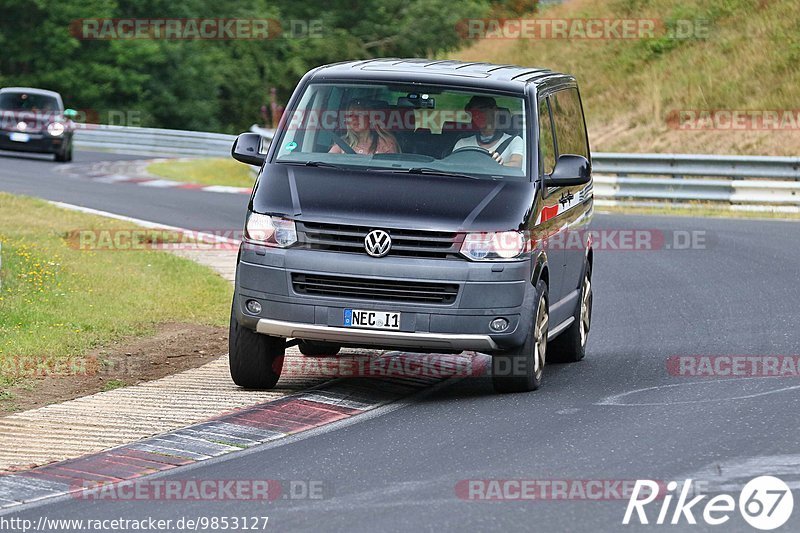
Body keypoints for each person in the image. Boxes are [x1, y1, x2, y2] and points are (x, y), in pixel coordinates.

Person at [452, 96, 523, 167]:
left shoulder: (514, 141)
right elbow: (451, 167)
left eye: (482, 111)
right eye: (474, 113)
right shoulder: (462, 143)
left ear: (495, 111)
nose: (477, 116)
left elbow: (517, 165)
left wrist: (499, 165)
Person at [329, 99, 399, 155]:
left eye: (358, 114)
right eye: (350, 115)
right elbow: (327, 163)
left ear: (370, 118)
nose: (354, 118)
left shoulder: (385, 142)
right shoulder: (342, 144)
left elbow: (392, 169)